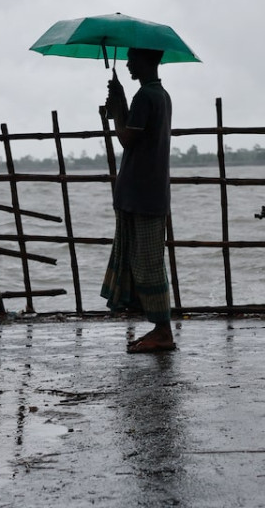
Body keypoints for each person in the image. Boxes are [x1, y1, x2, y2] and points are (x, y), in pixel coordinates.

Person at [100, 48, 176, 353]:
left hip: (142, 192)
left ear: (146, 61)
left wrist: (119, 107)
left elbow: (126, 138)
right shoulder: (160, 94)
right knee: (142, 261)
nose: (129, 63)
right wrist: (119, 103)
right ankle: (159, 328)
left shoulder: (146, 96)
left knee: (148, 264)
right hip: (145, 190)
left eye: (133, 58)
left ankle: (163, 330)